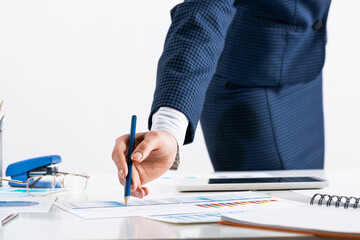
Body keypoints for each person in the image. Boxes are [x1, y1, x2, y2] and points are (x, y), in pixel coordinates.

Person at [112, 0, 331, 198]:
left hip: (304, 61)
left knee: (307, 198)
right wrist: (169, 128)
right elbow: (203, 12)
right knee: (279, 209)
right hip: (249, 82)